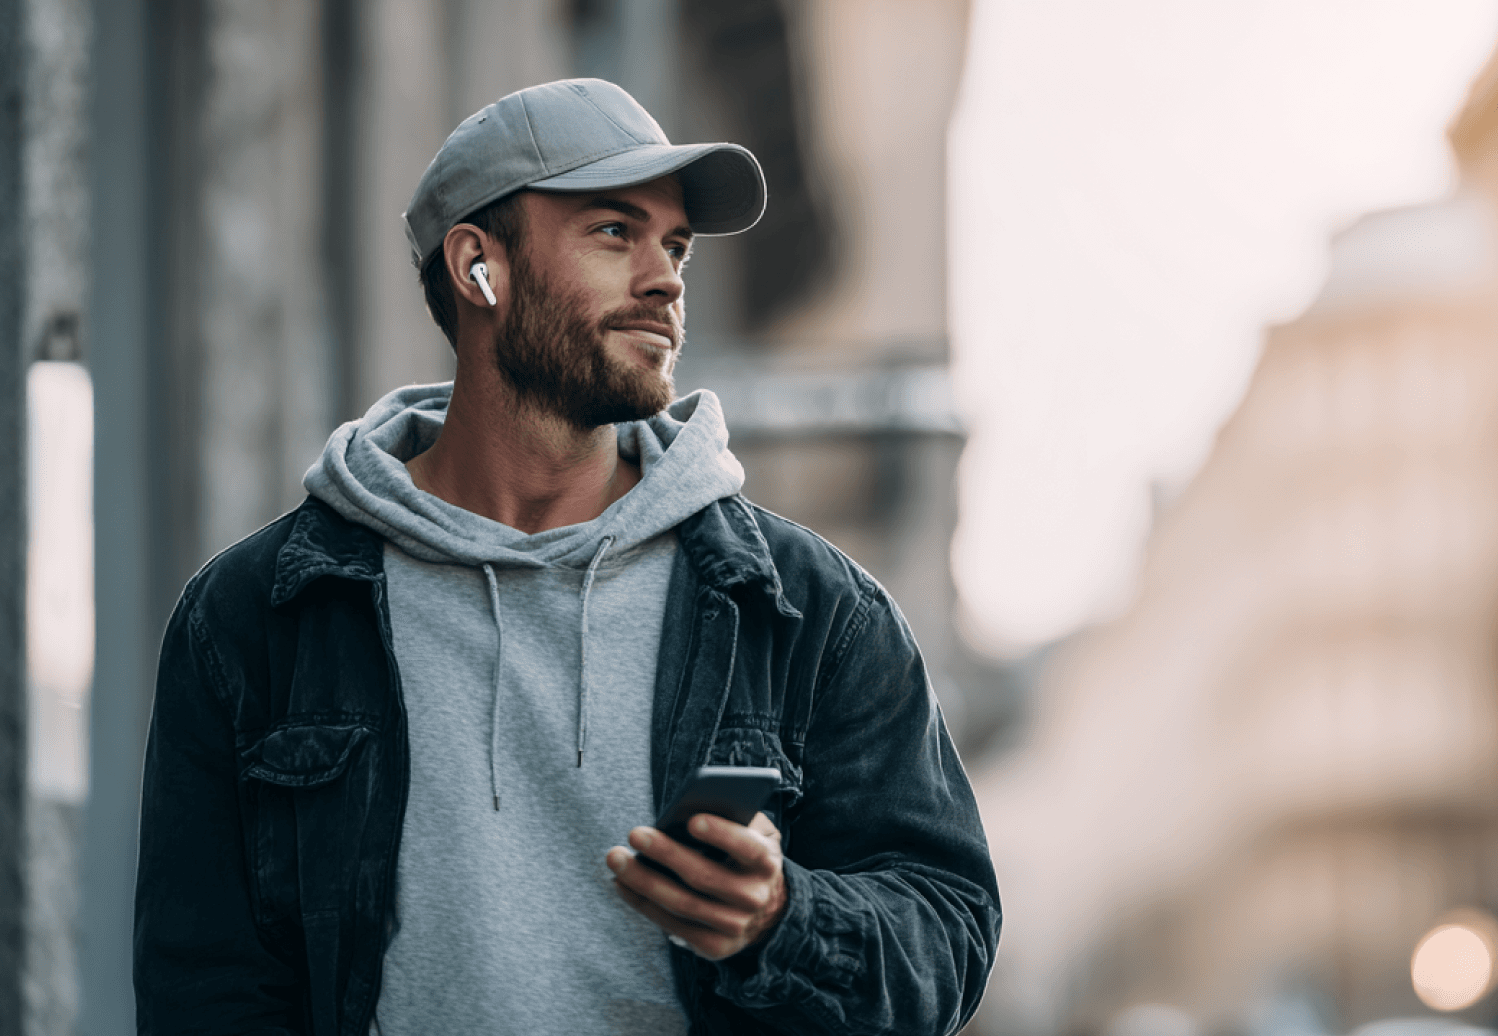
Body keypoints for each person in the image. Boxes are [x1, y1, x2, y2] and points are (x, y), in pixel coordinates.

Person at [132, 78, 1000, 1036]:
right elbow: (203, 992)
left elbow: (950, 929)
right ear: (479, 267)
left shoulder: (807, 613)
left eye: (676, 246)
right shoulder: (258, 616)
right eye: (615, 232)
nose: (666, 279)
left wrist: (782, 920)